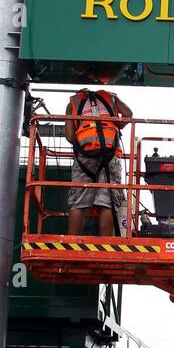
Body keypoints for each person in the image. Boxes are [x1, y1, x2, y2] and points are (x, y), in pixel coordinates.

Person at [64, 86, 133, 236]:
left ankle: (72, 244)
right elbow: (128, 114)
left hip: (84, 155)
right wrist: (118, 125)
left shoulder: (73, 103)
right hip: (110, 152)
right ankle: (105, 245)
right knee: (107, 203)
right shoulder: (111, 97)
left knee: (78, 203)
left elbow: (69, 136)